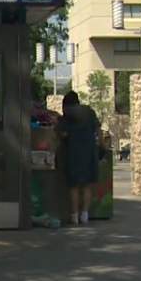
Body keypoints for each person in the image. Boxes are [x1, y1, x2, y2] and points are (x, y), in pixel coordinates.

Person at [57, 91, 101, 225]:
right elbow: (97, 130)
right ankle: (85, 214)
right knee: (87, 185)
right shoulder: (89, 112)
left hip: (73, 152)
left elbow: (63, 134)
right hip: (89, 152)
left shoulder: (67, 116)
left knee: (74, 187)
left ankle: (74, 215)